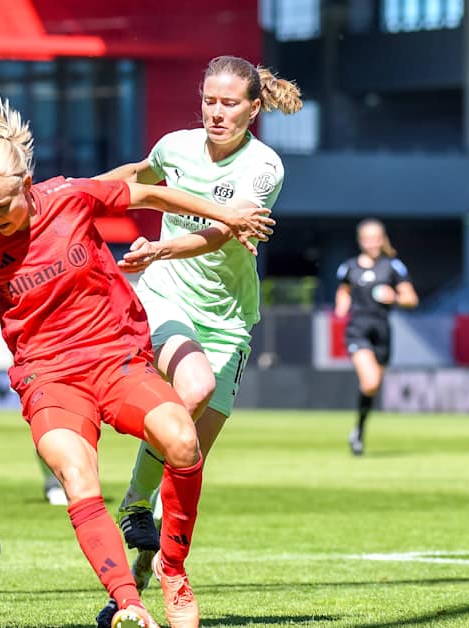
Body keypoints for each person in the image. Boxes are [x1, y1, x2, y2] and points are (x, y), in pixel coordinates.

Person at [0, 89, 273, 628]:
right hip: (49, 377)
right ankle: (129, 605)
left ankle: (173, 571)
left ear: (26, 184)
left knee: (183, 440)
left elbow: (153, 196)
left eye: (3, 204)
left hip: (116, 358)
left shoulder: (69, 197)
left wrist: (225, 216)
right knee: (76, 474)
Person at [91, 55, 302, 624]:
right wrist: (67, 195)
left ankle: (132, 583)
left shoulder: (264, 167)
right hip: (164, 297)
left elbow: (220, 232)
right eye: (209, 100)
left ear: (254, 109)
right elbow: (141, 174)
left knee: (186, 460)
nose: (216, 111)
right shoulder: (175, 146)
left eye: (229, 103)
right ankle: (136, 508)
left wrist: (159, 245)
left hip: (230, 319)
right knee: (193, 389)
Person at [334, 219, 418, 456]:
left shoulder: (393, 267)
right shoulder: (349, 267)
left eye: (376, 238)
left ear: (382, 240)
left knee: (372, 387)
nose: (372, 243)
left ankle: (358, 430)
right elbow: (343, 292)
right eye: (367, 238)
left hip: (382, 330)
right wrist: (341, 306)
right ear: (361, 241)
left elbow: (411, 299)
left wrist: (396, 298)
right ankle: (359, 432)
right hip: (358, 329)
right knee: (370, 381)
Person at [0, 289, 68, 506]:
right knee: (44, 422)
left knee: (72, 422)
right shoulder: (15, 276)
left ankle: (69, 478)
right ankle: (54, 482)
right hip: (32, 361)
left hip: (66, 356)